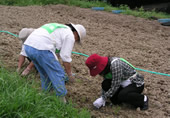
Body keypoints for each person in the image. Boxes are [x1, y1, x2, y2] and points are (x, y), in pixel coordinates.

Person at [24, 23, 86, 103]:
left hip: (28, 46)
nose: (75, 41)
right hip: (42, 48)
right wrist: (69, 74)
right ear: (76, 33)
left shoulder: (60, 28)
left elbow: (55, 54)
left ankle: (45, 95)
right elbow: (65, 57)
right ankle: (61, 100)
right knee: (59, 74)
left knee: (45, 73)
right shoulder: (70, 35)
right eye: (77, 39)